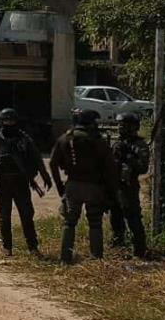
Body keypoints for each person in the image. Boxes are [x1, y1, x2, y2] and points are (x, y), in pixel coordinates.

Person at [0, 108, 53, 257]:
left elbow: (37, 158)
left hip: (21, 183)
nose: (9, 124)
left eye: (12, 121)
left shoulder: (25, 140)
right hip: (2, 184)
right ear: (1, 122)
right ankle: (7, 247)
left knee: (27, 215)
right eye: (6, 121)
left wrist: (45, 176)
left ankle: (33, 247)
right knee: (4, 216)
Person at [50, 108, 118, 264]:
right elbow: (110, 169)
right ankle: (96, 258)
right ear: (91, 123)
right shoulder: (98, 141)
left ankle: (65, 259)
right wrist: (111, 192)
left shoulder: (65, 139)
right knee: (95, 222)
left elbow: (53, 164)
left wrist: (60, 186)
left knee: (69, 222)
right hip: (94, 187)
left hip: (72, 185)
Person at [110, 112, 150, 258]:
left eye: (124, 125)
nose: (120, 127)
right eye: (119, 124)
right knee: (115, 218)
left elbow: (143, 167)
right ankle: (118, 246)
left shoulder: (139, 145)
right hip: (115, 186)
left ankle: (139, 250)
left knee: (133, 218)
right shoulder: (117, 142)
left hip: (129, 186)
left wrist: (129, 158)